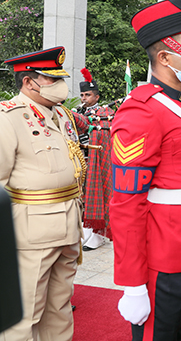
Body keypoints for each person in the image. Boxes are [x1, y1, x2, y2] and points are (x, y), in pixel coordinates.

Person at [110, 0, 181, 341]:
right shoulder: (142, 111)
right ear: (165, 56)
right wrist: (132, 282)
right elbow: (126, 203)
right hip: (165, 259)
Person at [0, 46, 83, 341]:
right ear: (28, 82)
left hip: (68, 225)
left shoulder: (60, 114)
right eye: (50, 79)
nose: (60, 85)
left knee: (59, 309)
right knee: (24, 315)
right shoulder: (8, 118)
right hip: (30, 233)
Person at [72, 67, 115, 250]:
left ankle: (98, 234)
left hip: (98, 160)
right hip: (81, 161)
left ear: (96, 97)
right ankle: (86, 232)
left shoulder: (105, 113)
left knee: (99, 195)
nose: (84, 98)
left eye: (87, 95)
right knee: (83, 199)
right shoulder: (76, 111)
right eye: (82, 95)